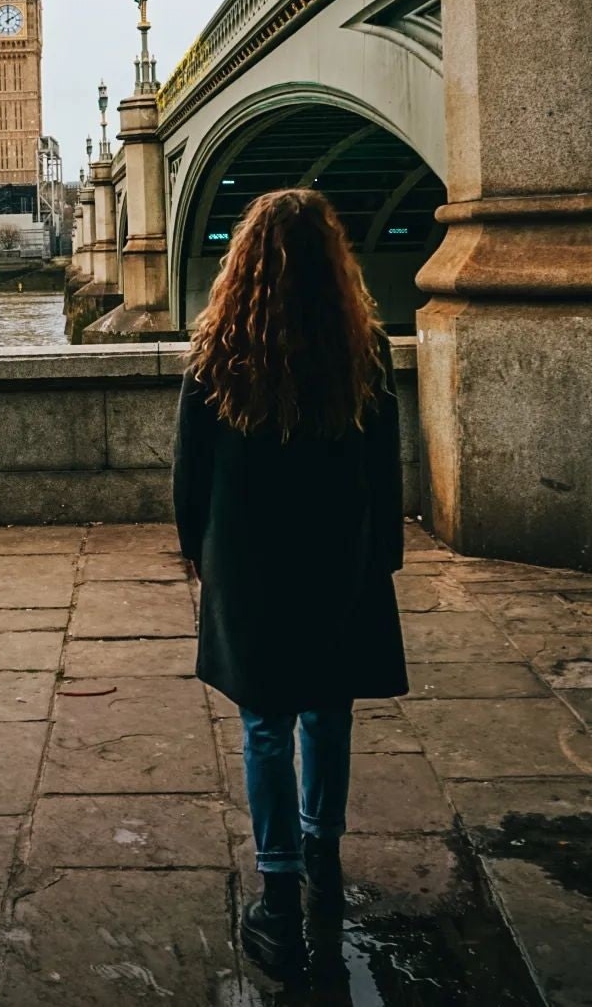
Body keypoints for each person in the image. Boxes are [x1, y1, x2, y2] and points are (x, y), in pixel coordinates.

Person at [172, 188, 407, 971]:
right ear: (332, 264)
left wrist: (199, 556)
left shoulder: (218, 350)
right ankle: (324, 857)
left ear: (245, 264)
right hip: (336, 556)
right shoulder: (364, 348)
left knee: (264, 726)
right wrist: (383, 560)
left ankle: (278, 896)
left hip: (251, 563)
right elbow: (383, 468)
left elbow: (190, 475)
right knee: (326, 713)